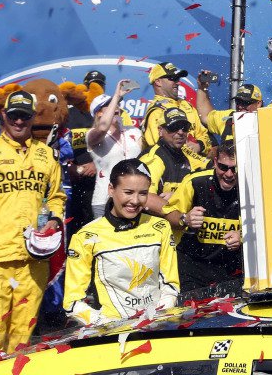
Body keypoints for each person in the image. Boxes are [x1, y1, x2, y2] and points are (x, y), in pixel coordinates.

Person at [64, 158, 179, 325]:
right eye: (128, 192)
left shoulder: (160, 227)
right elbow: (72, 302)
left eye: (143, 193)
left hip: (157, 326)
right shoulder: (86, 236)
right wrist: (105, 323)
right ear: (111, 189)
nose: (135, 200)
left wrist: (159, 316)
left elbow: (171, 284)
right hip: (110, 332)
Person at [0, 91, 67, 353]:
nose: (18, 121)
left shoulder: (48, 155)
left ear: (32, 117)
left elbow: (57, 197)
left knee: (22, 335)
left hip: (34, 256)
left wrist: (55, 221)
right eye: (13, 115)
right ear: (4, 115)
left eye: (24, 116)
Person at [162, 142, 243, 294]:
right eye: (223, 167)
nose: (229, 174)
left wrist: (242, 236)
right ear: (215, 163)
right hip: (193, 265)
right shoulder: (195, 181)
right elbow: (168, 215)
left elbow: (264, 226)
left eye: (235, 169)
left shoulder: (250, 185)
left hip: (230, 267)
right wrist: (185, 219)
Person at [196, 52, 272, 145]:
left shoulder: (269, 117)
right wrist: (202, 88)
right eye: (238, 101)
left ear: (259, 104)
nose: (241, 106)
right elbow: (205, 116)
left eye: (246, 103)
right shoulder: (229, 118)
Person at [86, 81, 143, 219]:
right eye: (109, 104)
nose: (116, 106)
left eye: (117, 103)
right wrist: (117, 94)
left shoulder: (134, 132)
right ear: (99, 113)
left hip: (133, 199)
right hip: (104, 199)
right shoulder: (92, 134)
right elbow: (103, 126)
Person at [142, 62, 211, 156]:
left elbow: (204, 135)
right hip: (175, 167)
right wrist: (189, 151)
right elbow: (159, 147)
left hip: (197, 165)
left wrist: (199, 146)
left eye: (178, 78)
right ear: (158, 82)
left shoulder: (187, 106)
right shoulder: (156, 111)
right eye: (173, 79)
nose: (178, 82)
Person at [140, 108, 208, 203]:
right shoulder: (153, 158)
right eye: (174, 127)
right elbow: (145, 199)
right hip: (154, 216)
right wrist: (182, 216)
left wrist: (178, 196)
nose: (180, 132)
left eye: (184, 127)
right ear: (160, 130)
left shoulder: (187, 152)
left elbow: (212, 172)